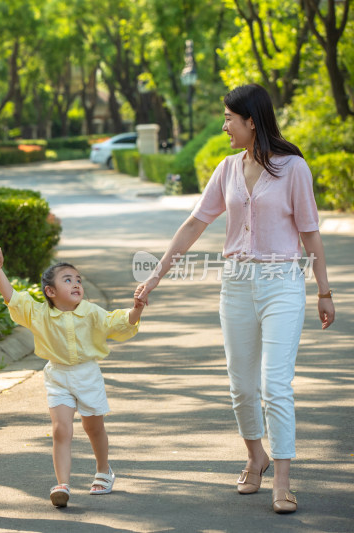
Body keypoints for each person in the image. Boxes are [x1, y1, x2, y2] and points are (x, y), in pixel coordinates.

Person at [134, 84, 335, 514]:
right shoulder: (226, 168)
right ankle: (254, 456)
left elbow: (310, 230)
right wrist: (155, 276)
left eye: (229, 118)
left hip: (283, 282)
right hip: (237, 285)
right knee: (242, 386)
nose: (224, 126)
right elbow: (194, 224)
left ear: (252, 121)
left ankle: (282, 478)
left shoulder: (293, 167)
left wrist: (323, 289)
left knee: (275, 385)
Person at [0, 250, 143, 508]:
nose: (77, 284)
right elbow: (12, 298)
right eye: (68, 280)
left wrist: (136, 309)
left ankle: (104, 471)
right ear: (50, 292)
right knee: (61, 429)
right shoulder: (38, 314)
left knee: (93, 428)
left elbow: (118, 323)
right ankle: (62, 484)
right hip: (58, 375)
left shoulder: (92, 312)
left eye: (79, 280)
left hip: (88, 375)